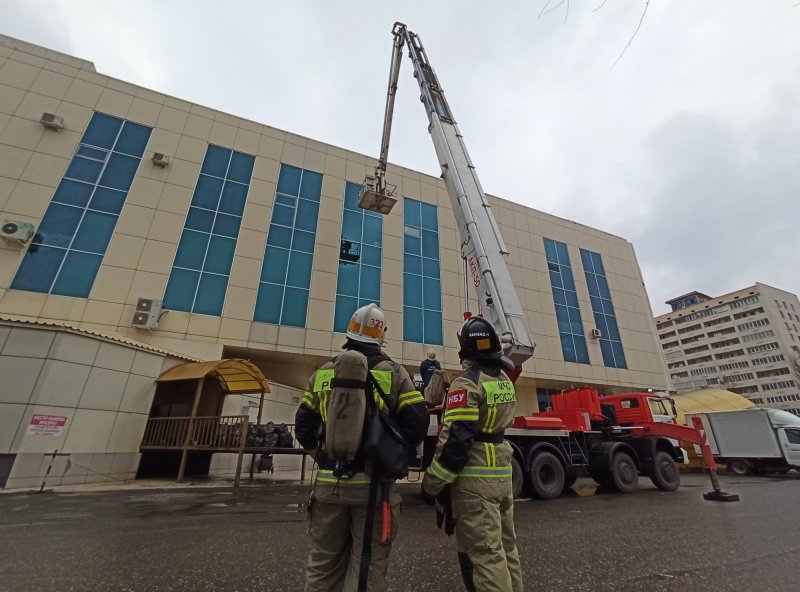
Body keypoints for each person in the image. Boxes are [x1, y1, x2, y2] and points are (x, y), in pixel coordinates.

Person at [295, 303, 429, 592]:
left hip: (328, 487)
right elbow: (418, 421)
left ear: (350, 332)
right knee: (366, 567)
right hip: (374, 488)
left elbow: (303, 427)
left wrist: (324, 457)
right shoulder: (393, 373)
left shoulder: (323, 373)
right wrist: (392, 456)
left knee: (322, 565)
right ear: (381, 337)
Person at [420, 316, 523, 592]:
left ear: (466, 348)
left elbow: (455, 444)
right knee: (506, 549)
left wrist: (430, 487)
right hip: (501, 474)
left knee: (485, 556)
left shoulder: (466, 384)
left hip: (475, 483)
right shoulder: (503, 380)